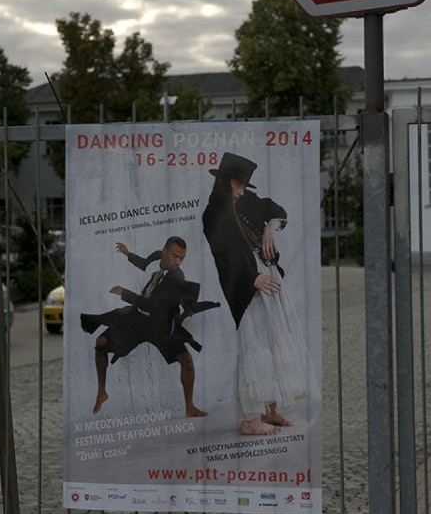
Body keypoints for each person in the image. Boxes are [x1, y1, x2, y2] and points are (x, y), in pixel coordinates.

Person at [202, 152, 316, 436]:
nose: (242, 190)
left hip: (267, 274)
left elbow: (277, 210)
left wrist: (269, 227)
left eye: (244, 185)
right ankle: (250, 419)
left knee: (275, 339)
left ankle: (270, 410)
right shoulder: (214, 213)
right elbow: (223, 255)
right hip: (247, 283)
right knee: (255, 345)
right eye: (238, 185)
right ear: (225, 182)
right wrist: (252, 278)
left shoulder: (248, 201)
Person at [80, 236, 219, 416]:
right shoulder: (156, 257)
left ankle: (190, 406)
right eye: (175, 256)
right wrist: (128, 254)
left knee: (186, 360)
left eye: (182, 258)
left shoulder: (177, 277)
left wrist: (125, 293)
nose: (178, 262)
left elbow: (153, 307)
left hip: (159, 324)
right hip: (136, 319)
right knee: (101, 342)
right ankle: (102, 392)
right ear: (164, 252)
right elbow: (144, 263)